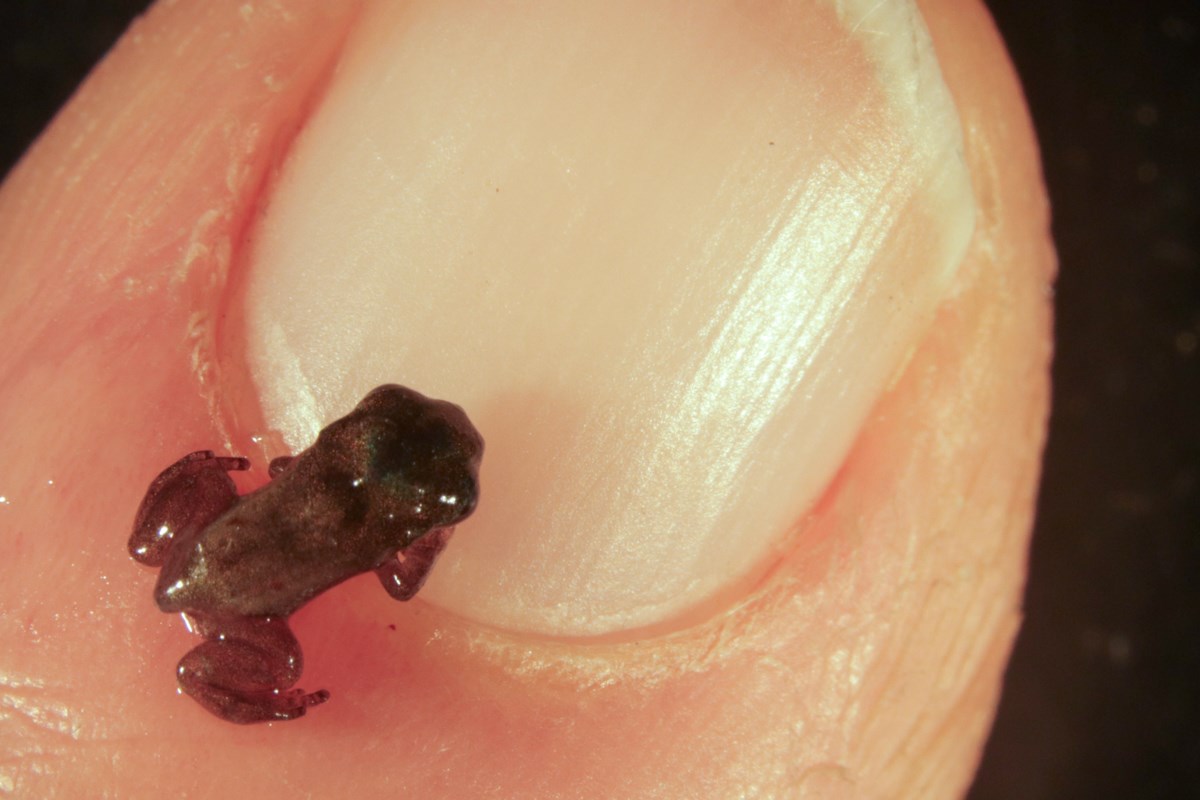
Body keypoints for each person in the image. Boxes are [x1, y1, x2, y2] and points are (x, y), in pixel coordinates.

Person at [0, 0, 1052, 796]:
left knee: (182, 565)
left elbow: (336, 514)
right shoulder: (364, 536)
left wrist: (245, 483)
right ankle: (260, 680)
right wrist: (402, 554)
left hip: (210, 550)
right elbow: (399, 587)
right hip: (228, 574)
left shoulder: (325, 491)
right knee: (209, 619)